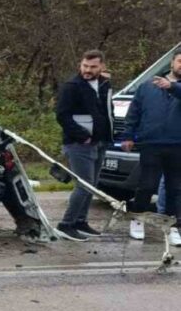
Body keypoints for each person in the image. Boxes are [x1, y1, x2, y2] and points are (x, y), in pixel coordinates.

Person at [120, 50, 181, 246]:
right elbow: (134, 112)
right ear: (172, 63)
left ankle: (172, 226)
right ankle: (138, 220)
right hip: (151, 143)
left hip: (177, 144)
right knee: (146, 185)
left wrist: (172, 87)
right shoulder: (147, 87)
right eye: (180, 61)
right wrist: (128, 135)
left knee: (175, 188)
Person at [54, 50, 113, 241]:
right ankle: (66, 224)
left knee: (92, 185)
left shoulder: (104, 84)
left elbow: (106, 110)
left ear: (102, 66)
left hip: (100, 141)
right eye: (85, 66)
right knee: (84, 184)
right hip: (79, 143)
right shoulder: (72, 86)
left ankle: (80, 220)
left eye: (93, 67)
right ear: (80, 65)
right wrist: (82, 136)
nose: (87, 70)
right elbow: (62, 115)